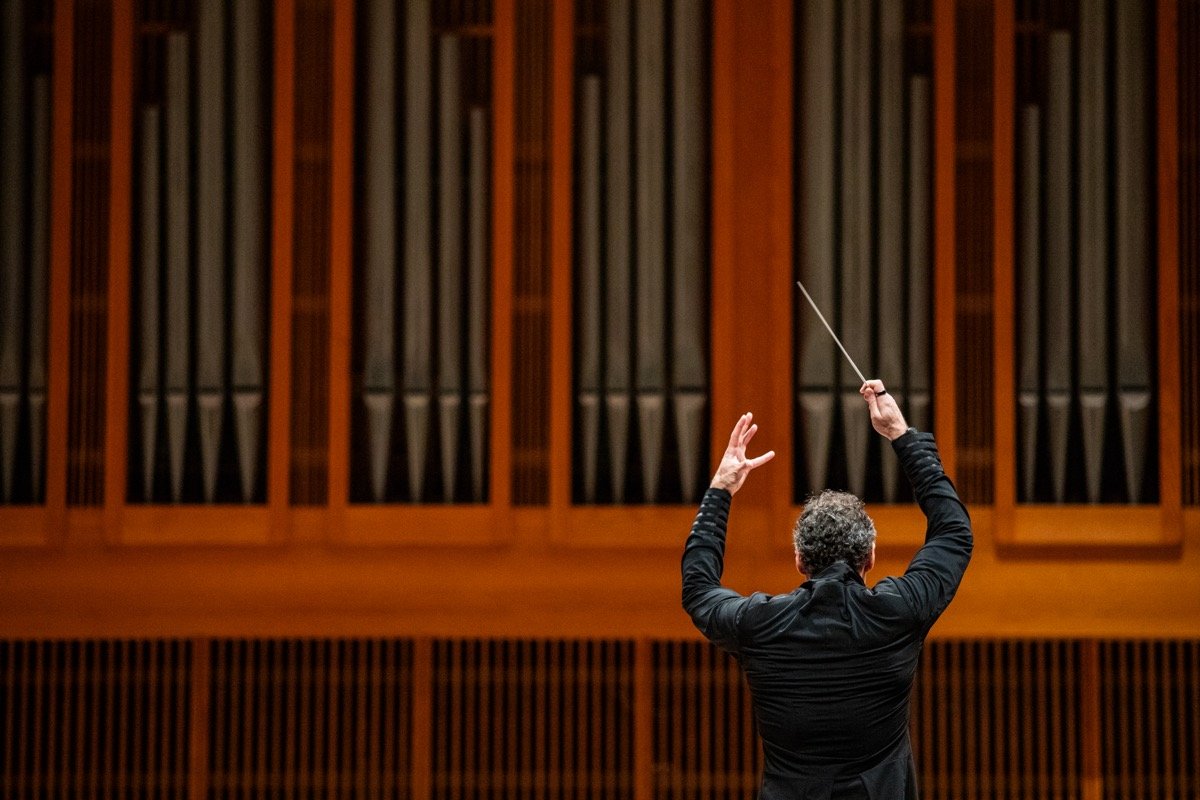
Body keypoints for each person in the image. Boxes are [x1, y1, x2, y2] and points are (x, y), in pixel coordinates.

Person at [681, 380, 972, 800]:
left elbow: (698, 589)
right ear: (870, 556)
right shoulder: (898, 612)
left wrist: (720, 490)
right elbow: (954, 533)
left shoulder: (759, 624)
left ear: (800, 559)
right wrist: (901, 435)